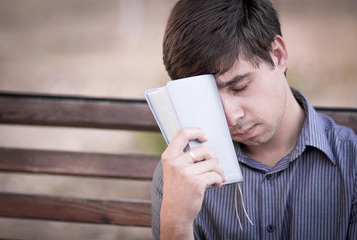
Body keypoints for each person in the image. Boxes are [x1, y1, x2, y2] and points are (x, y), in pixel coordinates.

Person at [151, 0, 357, 239]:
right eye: (208, 101)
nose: (231, 117)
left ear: (278, 55)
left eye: (240, 87)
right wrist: (176, 226)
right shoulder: (181, 176)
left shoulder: (350, 164)